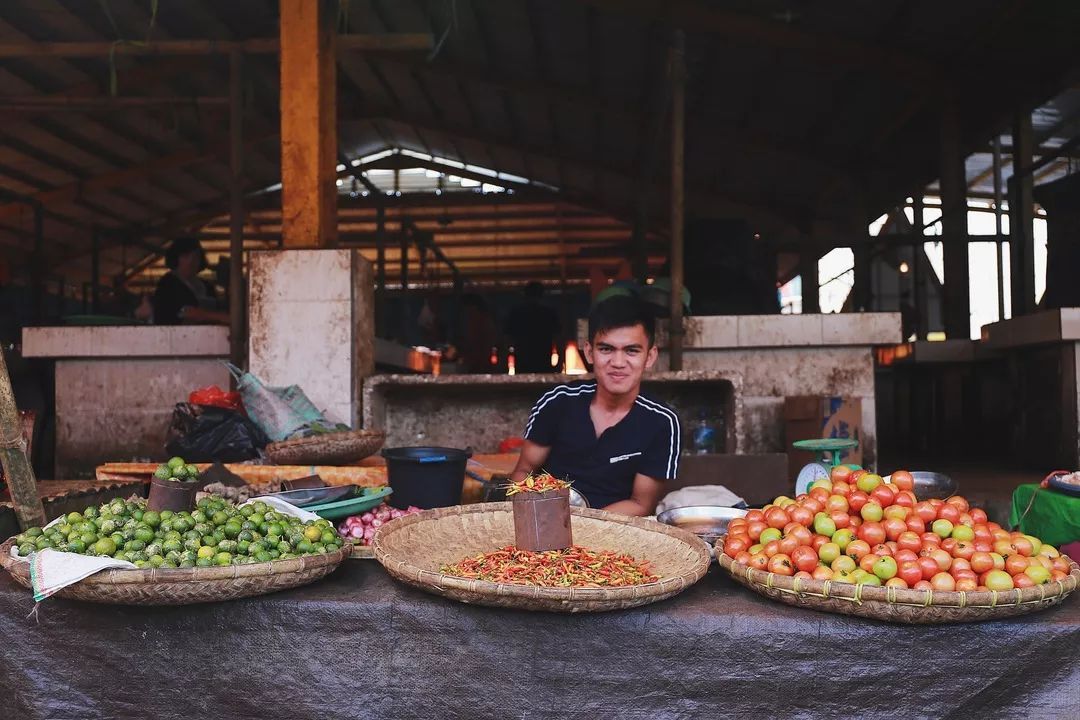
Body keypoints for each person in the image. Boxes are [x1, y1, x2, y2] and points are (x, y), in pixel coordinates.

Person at [509, 295, 681, 516]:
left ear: (650, 356)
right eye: (606, 349)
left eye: (631, 350)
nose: (618, 363)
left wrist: (583, 525)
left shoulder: (662, 422)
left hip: (615, 528)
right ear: (589, 352)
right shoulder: (558, 402)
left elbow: (640, 503)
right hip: (545, 520)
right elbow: (523, 472)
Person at [152, 237, 228, 325]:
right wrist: (217, 316)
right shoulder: (167, 284)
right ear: (176, 258)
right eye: (185, 256)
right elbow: (181, 313)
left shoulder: (207, 286)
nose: (191, 261)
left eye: (196, 257)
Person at [504, 281, 561, 373]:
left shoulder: (517, 314)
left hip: (522, 361)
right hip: (543, 360)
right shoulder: (548, 314)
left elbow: (507, 340)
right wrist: (560, 362)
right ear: (541, 295)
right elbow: (558, 339)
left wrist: (504, 363)